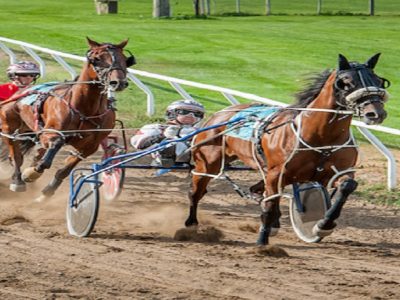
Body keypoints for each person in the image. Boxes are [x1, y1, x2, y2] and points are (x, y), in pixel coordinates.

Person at [130, 99, 205, 167]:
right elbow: (139, 145)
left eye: (196, 114)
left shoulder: (201, 131)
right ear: (172, 113)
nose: (190, 115)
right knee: (169, 142)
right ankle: (166, 160)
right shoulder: (156, 128)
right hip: (165, 158)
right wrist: (163, 135)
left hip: (195, 158)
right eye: (184, 112)